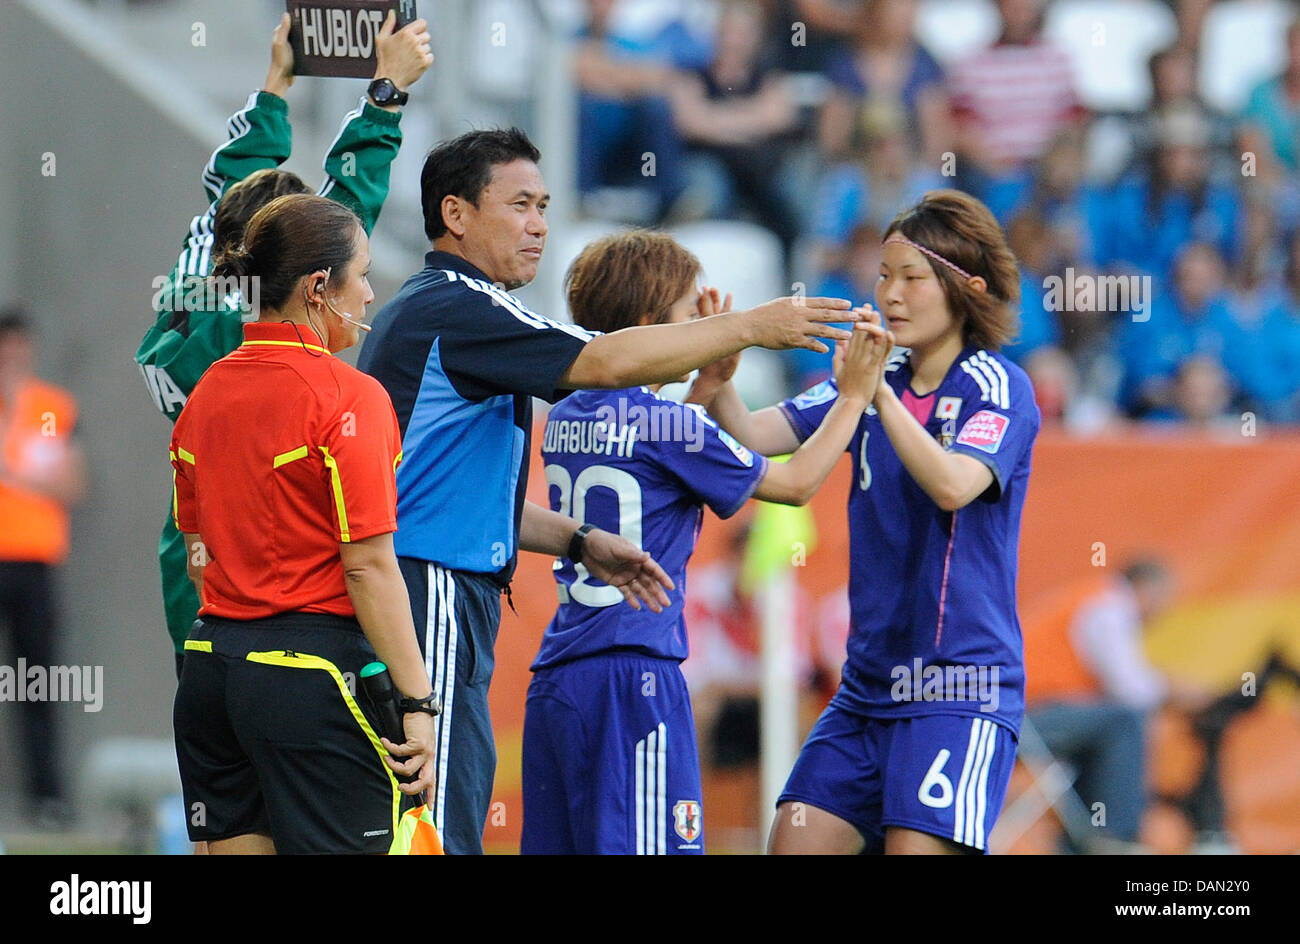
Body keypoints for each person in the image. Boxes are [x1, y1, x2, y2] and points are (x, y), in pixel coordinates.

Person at [357, 127, 858, 854]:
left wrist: (582, 538)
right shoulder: (467, 309)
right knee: (430, 824)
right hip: (613, 664)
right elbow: (783, 475)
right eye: (521, 204)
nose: (538, 224)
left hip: (556, 674)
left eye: (546, 206)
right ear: (457, 214)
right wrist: (817, 372)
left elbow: (482, 489)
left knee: (457, 816)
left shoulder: (560, 408)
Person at [690, 190, 1039, 854]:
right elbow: (759, 434)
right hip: (866, 689)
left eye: (913, 278)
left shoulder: (995, 386)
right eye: (883, 275)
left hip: (957, 689)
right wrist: (722, 379)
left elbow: (953, 485)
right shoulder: (875, 374)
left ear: (966, 287)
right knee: (789, 845)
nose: (891, 294)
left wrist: (874, 392)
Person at [520, 231, 890, 854]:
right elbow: (796, 483)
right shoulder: (674, 425)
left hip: (559, 678)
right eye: (692, 312)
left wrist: (708, 384)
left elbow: (648, 456)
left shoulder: (566, 414)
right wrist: (853, 396)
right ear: (649, 322)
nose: (704, 325)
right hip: (636, 675)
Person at [135, 11, 432, 678]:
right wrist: (383, 98)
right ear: (309, 278)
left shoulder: (191, 303)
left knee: (216, 772)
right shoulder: (275, 348)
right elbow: (343, 209)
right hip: (289, 617)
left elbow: (232, 196)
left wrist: (275, 86)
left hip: (199, 603)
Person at [170, 193, 436, 854]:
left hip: (208, 670)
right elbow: (369, 565)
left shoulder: (207, 390)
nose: (372, 294)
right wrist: (419, 703)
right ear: (321, 288)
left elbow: (193, 553)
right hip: (308, 677)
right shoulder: (350, 396)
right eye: (364, 274)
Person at [0, 310, 87, 821]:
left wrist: (11, 472)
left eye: (18, 349)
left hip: (33, 562)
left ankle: (46, 796)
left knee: (38, 680)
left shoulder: (51, 409)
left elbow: (70, 485)